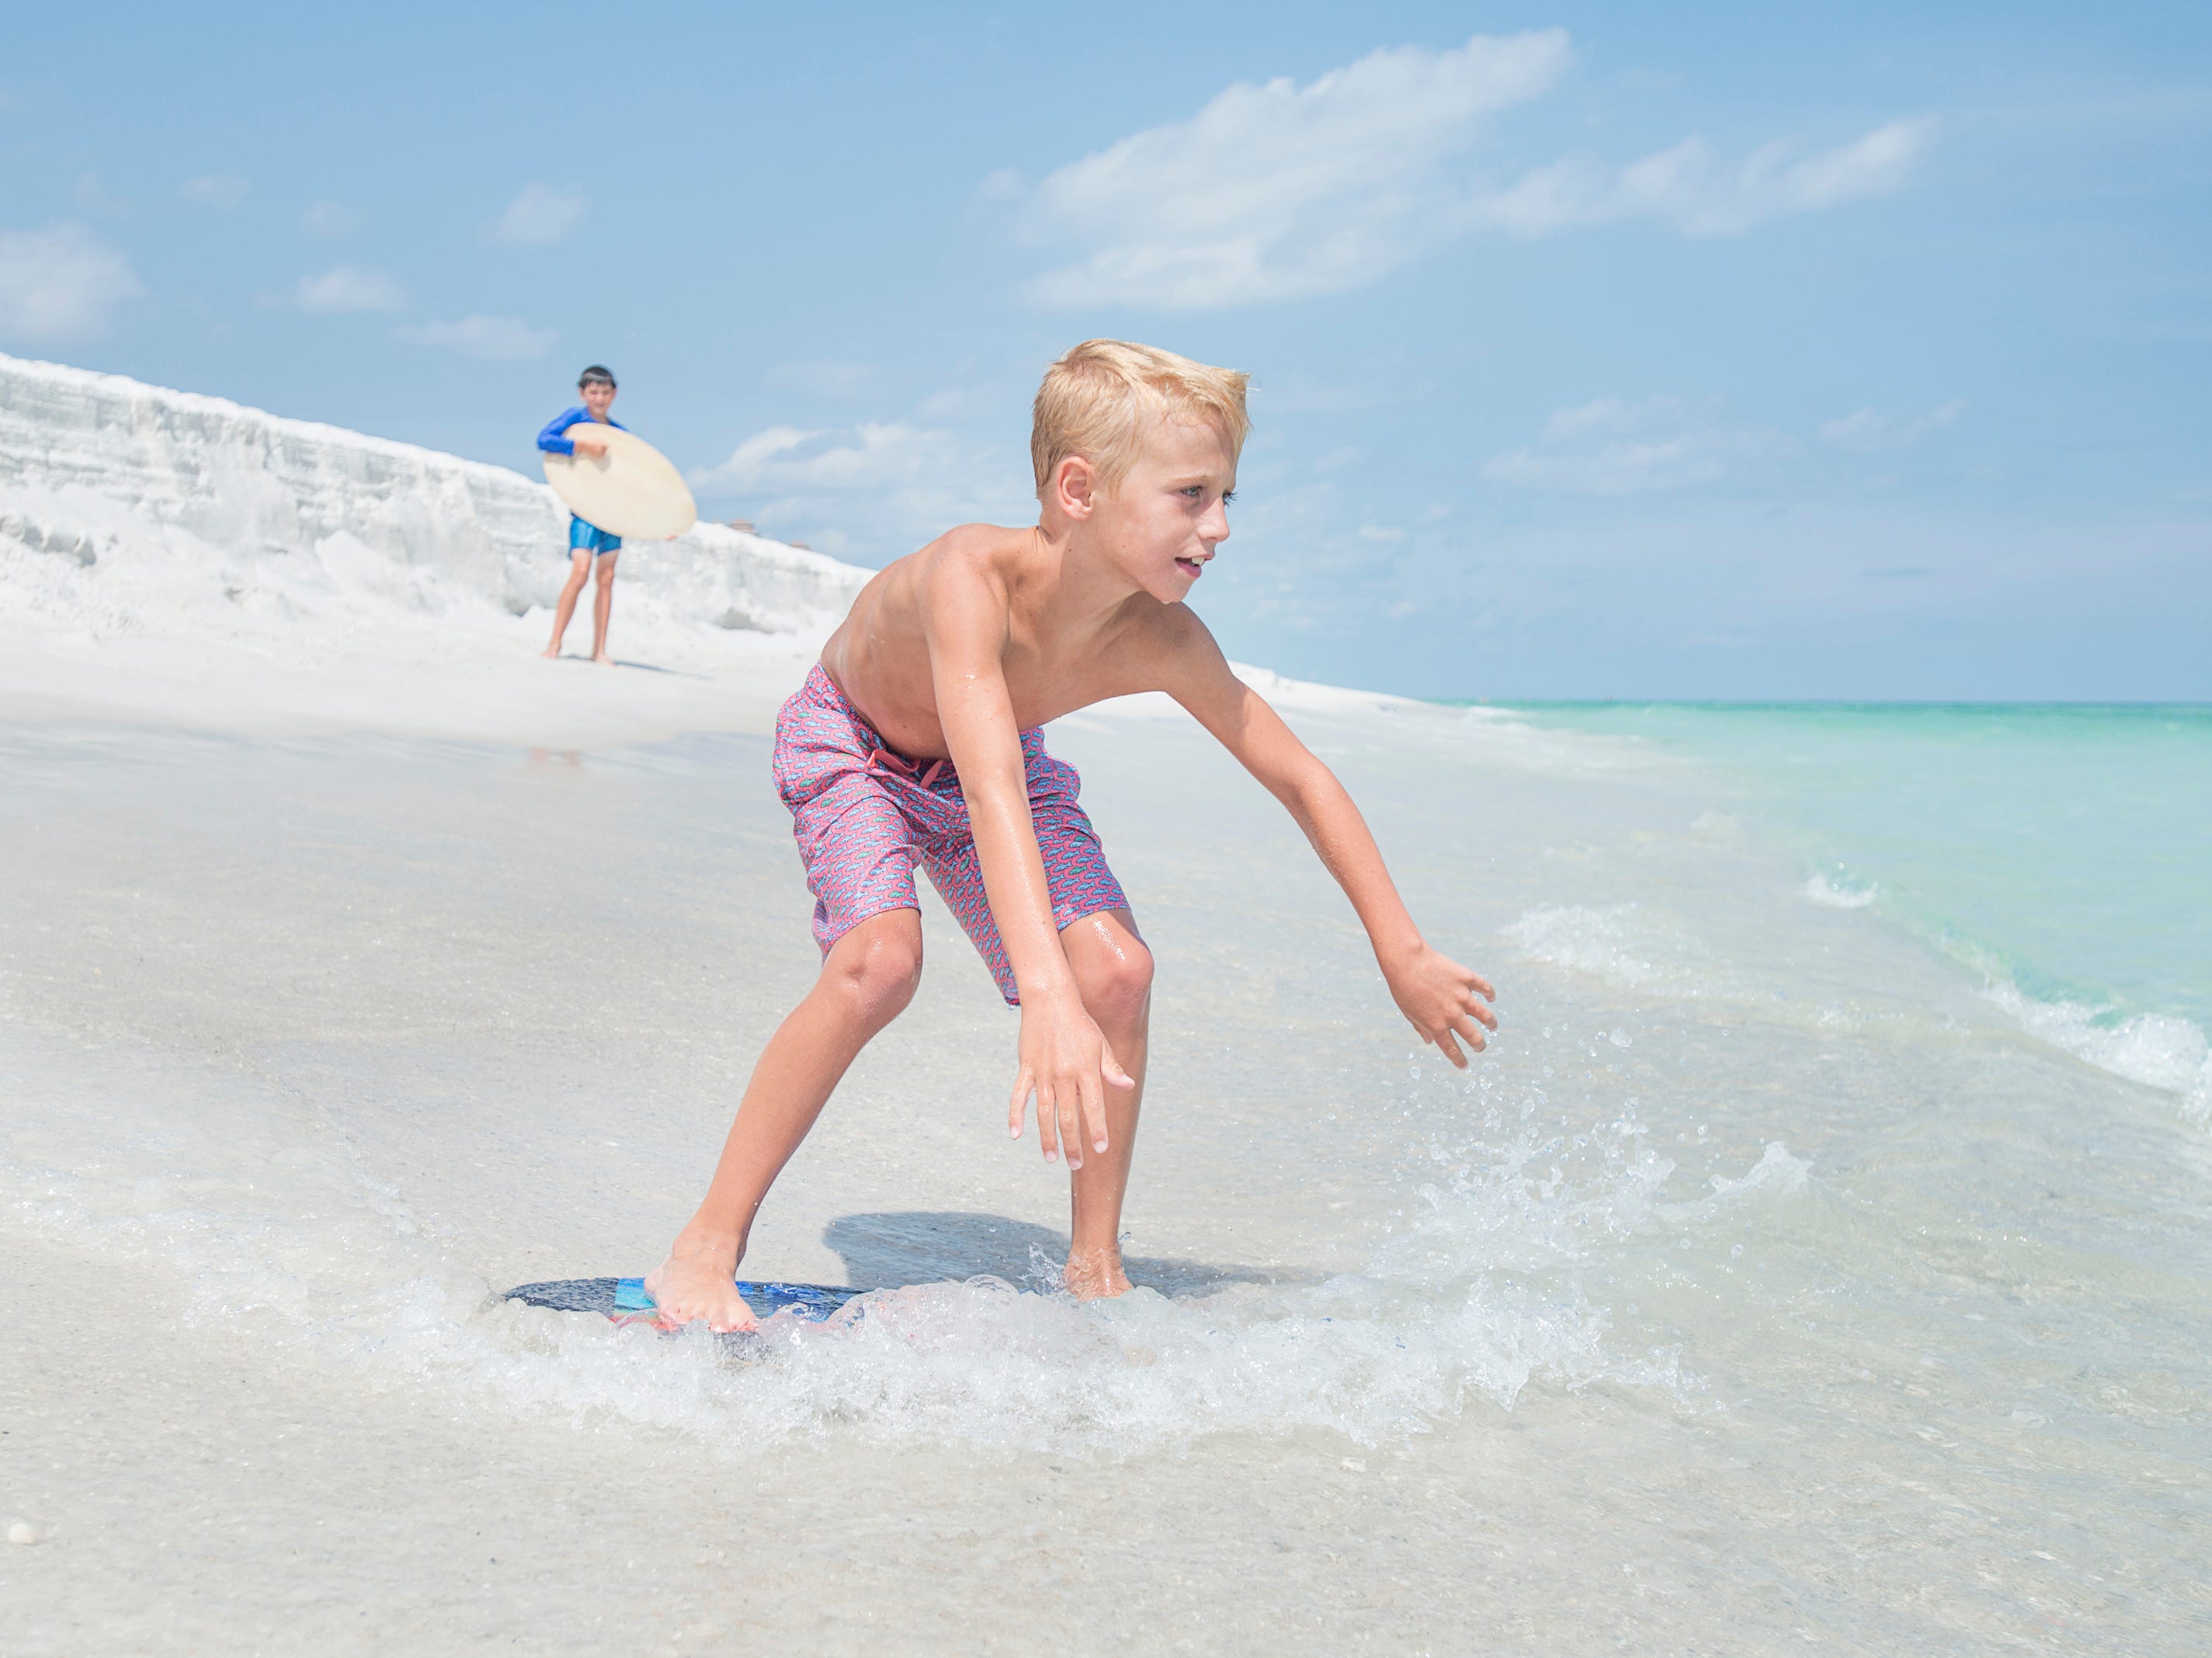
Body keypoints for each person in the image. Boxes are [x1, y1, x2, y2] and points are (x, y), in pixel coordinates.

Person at [645, 339, 1498, 1332]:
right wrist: (1040, 991)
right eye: (1189, 495)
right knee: (879, 962)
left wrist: (1399, 950)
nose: (1217, 526)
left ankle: (1095, 1266)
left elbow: (1299, 776)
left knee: (1120, 975)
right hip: (858, 745)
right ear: (1080, 488)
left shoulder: (1162, 637)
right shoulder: (969, 573)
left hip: (1000, 763)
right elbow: (988, 780)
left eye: (1226, 497)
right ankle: (702, 1248)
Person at [537, 366, 625, 664]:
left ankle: (599, 649)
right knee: (580, 572)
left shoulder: (620, 435)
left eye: (605, 392)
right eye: (593, 392)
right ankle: (554, 643)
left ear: (614, 394)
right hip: (586, 511)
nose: (599, 398)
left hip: (613, 513)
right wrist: (582, 445)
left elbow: (637, 482)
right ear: (582, 393)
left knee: (607, 577)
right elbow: (544, 439)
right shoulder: (575, 419)